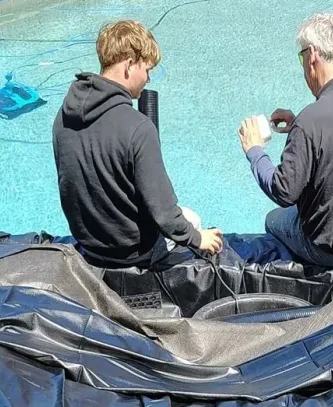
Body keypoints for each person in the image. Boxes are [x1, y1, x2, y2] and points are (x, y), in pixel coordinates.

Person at [53, 19, 222, 269]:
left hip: (89, 246)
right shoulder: (138, 128)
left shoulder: (63, 116)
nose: (148, 79)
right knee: (193, 220)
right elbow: (164, 213)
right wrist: (198, 238)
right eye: (147, 70)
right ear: (130, 64)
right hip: (132, 252)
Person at [237, 12, 333, 269]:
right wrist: (298, 127)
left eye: (301, 57)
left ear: (312, 56)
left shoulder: (311, 121)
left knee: (273, 219)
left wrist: (255, 150)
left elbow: (283, 191)